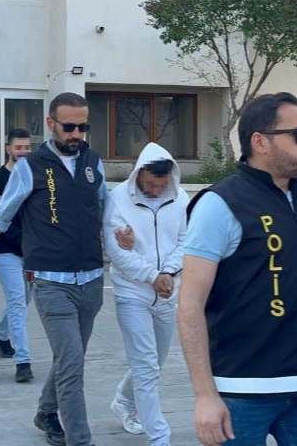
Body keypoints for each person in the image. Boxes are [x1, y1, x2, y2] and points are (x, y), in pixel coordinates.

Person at [178, 92, 297, 446]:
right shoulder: (220, 204)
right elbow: (189, 304)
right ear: (260, 142)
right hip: (241, 392)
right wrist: (205, 395)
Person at [0, 92, 108, 446]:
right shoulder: (31, 166)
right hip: (51, 282)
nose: (76, 134)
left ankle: (46, 412)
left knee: (70, 359)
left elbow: (107, 208)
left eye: (83, 127)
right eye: (69, 127)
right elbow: (0, 216)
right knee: (72, 364)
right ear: (51, 124)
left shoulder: (93, 162)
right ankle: (80, 439)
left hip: (92, 281)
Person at [103, 143, 188, 446]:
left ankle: (123, 400)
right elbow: (115, 250)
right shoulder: (117, 199)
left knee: (156, 363)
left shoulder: (181, 199)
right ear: (139, 174)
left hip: (167, 292)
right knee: (146, 366)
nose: (156, 189)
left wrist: (168, 274)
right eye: (151, 183)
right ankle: (159, 437)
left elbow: (185, 240)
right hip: (132, 294)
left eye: (161, 184)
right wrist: (152, 276)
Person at [0, 128, 34, 383]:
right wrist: (22, 242)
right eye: (18, 147)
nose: (23, 152)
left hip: (32, 251)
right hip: (5, 250)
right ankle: (23, 361)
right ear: (8, 149)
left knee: (25, 297)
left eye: (27, 147)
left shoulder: (35, 176)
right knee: (17, 301)